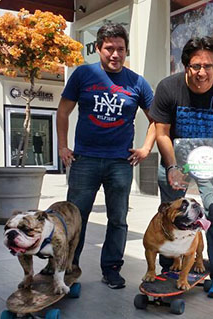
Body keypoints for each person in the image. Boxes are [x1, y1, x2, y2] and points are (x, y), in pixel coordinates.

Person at [56, 23, 156, 289]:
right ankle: (68, 268)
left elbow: (157, 120)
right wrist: (63, 146)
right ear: (98, 48)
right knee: (75, 217)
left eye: (120, 49)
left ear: (126, 51)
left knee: (118, 219)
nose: (115, 54)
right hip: (84, 160)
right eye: (109, 48)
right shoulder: (83, 75)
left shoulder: (137, 82)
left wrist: (146, 148)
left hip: (119, 163)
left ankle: (111, 268)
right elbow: (63, 111)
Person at [151, 36, 213, 298]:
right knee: (169, 214)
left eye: (209, 66)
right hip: (174, 158)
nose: (202, 72)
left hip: (209, 161)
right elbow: (162, 133)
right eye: (195, 66)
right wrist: (171, 167)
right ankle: (170, 266)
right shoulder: (168, 88)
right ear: (185, 67)